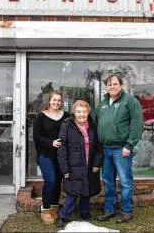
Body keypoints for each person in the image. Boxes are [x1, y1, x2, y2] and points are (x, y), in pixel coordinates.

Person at [91, 74, 144, 224]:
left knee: (125, 182)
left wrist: (129, 145)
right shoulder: (103, 104)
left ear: (121, 85)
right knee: (108, 181)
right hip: (105, 149)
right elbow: (91, 120)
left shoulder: (130, 101)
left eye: (115, 84)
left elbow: (137, 124)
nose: (112, 86)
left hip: (121, 150)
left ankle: (127, 212)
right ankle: (109, 210)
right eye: (109, 84)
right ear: (106, 87)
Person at [55, 100, 103, 228]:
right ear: (74, 113)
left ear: (88, 112)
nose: (81, 114)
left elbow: (99, 147)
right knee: (73, 191)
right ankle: (63, 216)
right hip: (73, 165)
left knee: (86, 189)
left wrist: (97, 163)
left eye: (84, 111)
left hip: (89, 163)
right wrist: (64, 168)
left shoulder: (93, 126)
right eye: (78, 111)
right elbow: (62, 148)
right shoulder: (67, 125)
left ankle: (85, 213)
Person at [33, 90, 70, 224]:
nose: (56, 102)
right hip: (45, 155)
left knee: (58, 183)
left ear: (62, 102)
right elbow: (36, 137)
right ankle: (46, 209)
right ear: (49, 101)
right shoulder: (41, 116)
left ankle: (55, 208)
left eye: (59, 100)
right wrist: (51, 143)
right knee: (50, 181)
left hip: (60, 156)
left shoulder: (66, 116)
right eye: (54, 100)